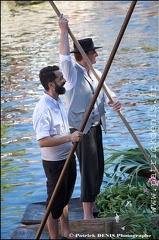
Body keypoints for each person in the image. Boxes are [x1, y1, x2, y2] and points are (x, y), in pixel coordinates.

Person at [58, 14, 122, 220]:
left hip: (95, 126)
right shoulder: (71, 74)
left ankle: (92, 205)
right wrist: (63, 31)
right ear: (85, 55)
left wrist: (115, 101)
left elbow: (107, 93)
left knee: (98, 167)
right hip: (80, 129)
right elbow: (64, 57)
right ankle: (87, 215)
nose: (97, 56)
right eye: (94, 53)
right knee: (88, 169)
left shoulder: (94, 72)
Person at [33, 65, 84, 239]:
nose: (64, 80)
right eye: (61, 78)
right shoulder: (43, 108)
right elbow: (42, 141)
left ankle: (66, 231)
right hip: (55, 163)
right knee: (54, 204)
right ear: (51, 84)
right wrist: (70, 138)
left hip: (68, 158)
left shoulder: (57, 100)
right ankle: (54, 238)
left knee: (65, 198)